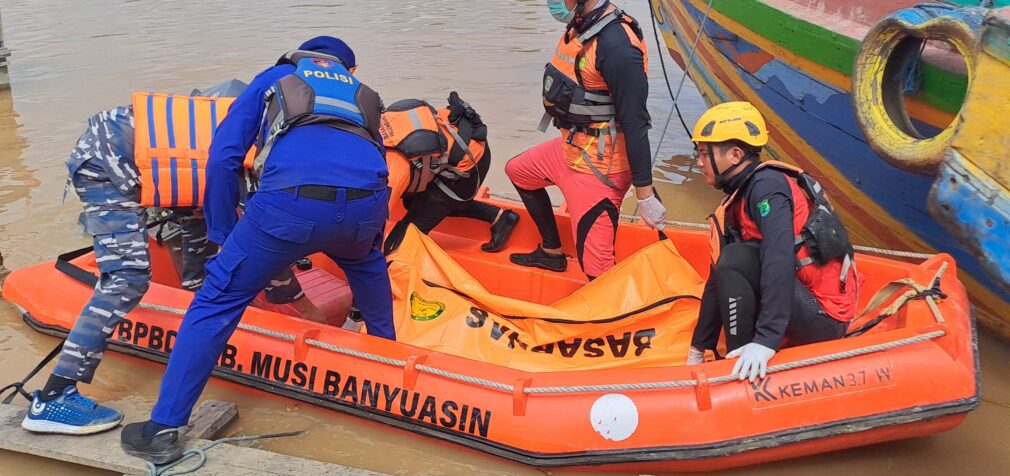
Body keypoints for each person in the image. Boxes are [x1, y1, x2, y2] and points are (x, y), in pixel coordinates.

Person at [120, 36, 394, 464]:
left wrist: (222, 232)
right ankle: (390, 390)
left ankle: (163, 428)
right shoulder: (364, 96)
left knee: (216, 300)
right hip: (367, 208)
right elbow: (372, 164)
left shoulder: (274, 78)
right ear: (347, 70)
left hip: (288, 206)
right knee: (371, 278)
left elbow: (224, 157)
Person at [20, 84, 311, 436]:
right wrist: (302, 307)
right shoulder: (266, 157)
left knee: (201, 258)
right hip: (110, 162)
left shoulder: (267, 127)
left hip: (172, 168)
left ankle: (191, 327)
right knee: (127, 277)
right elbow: (264, 245)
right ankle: (54, 397)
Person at [685, 102, 862, 382]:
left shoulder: (767, 188)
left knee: (736, 259)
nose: (699, 162)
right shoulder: (738, 195)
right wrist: (699, 345)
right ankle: (734, 351)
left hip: (824, 315)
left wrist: (765, 341)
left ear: (735, 155)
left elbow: (779, 256)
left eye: (705, 154)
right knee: (731, 258)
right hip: (799, 298)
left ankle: (740, 363)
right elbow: (716, 274)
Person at [505, 0, 666, 280]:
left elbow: (636, 122)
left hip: (599, 169)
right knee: (518, 172)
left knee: (596, 270)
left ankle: (611, 319)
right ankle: (552, 252)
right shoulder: (583, 23)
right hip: (571, 148)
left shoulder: (617, 47)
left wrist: (645, 194)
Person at [381, 92, 519, 254]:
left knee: (402, 241)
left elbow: (377, 221)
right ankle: (497, 215)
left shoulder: (395, 168)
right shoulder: (375, 132)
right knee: (410, 203)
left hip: (469, 163)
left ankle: (503, 219)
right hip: (455, 137)